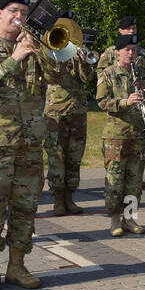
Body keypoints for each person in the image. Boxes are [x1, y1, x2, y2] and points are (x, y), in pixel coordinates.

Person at [0, 0, 67, 290]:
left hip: (30, 145)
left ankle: (17, 265)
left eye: (23, 11)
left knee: (25, 209)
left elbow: (59, 77)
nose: (19, 16)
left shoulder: (34, 46)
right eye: (13, 10)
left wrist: (42, 51)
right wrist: (14, 59)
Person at [96, 34, 145, 235]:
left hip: (137, 133)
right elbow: (102, 101)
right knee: (115, 179)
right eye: (126, 49)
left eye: (134, 50)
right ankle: (114, 219)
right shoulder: (108, 74)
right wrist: (124, 102)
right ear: (118, 52)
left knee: (134, 180)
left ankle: (130, 218)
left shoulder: (140, 74)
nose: (130, 53)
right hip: (115, 135)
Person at [43, 45, 95, 216]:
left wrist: (84, 59)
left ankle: (69, 198)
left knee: (74, 157)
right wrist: (58, 57)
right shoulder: (49, 51)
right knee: (56, 157)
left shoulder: (77, 53)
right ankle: (58, 200)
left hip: (77, 111)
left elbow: (87, 78)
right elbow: (51, 76)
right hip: (56, 112)